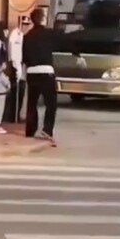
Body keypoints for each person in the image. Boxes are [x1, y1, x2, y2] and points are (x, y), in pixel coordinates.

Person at [22, 8, 80, 144]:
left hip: (31, 72)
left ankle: (30, 130)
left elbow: (24, 56)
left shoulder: (27, 36)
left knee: (32, 103)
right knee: (51, 103)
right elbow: (66, 41)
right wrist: (76, 54)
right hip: (46, 71)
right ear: (42, 19)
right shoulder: (49, 34)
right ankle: (47, 129)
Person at [3, 15, 32, 123]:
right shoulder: (15, 35)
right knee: (14, 92)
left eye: (27, 25)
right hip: (15, 66)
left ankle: (16, 114)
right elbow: (14, 53)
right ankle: (11, 116)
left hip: (23, 66)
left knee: (21, 92)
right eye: (24, 24)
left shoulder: (26, 35)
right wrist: (17, 68)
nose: (26, 27)